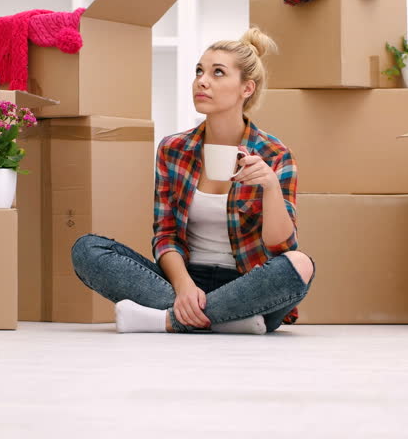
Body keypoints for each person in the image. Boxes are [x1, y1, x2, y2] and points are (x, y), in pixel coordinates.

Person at [71, 28, 315, 334]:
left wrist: (270, 186)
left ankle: (167, 320)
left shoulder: (275, 155)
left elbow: (281, 246)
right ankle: (230, 321)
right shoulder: (173, 149)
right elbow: (165, 235)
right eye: (199, 71)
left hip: (247, 283)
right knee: (87, 249)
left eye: (218, 73)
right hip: (181, 282)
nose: (202, 80)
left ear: (246, 88)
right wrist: (184, 286)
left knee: (300, 263)